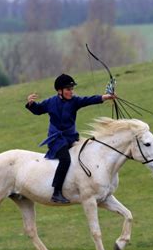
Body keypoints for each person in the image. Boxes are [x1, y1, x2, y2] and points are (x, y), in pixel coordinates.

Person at [26, 74, 116, 203]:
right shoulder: (50, 102)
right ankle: (56, 192)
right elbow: (38, 110)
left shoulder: (75, 101)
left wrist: (104, 97)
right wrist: (31, 104)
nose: (71, 92)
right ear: (59, 91)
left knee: (87, 152)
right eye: (68, 89)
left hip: (71, 138)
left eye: (72, 89)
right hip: (56, 140)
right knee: (65, 159)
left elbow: (88, 100)